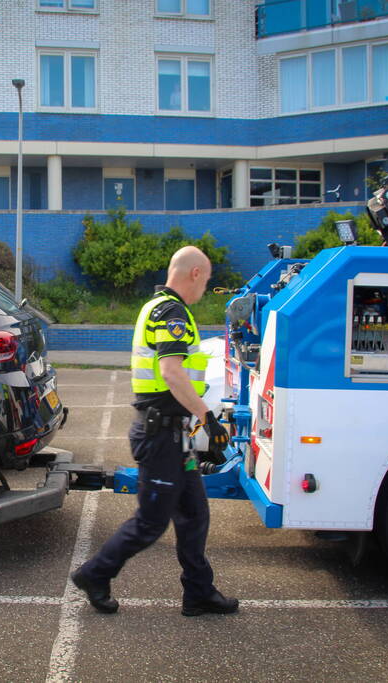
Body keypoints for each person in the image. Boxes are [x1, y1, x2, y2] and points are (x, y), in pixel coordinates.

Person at [71, 245, 237, 617]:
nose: (205, 288)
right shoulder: (171, 311)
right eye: (207, 280)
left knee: (194, 514)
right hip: (160, 436)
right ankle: (94, 574)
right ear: (195, 273)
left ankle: (198, 593)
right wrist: (207, 417)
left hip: (173, 436)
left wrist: (194, 420)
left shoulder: (159, 306)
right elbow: (171, 372)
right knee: (151, 522)